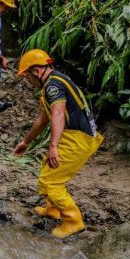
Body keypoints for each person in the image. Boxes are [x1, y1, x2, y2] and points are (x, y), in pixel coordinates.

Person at [13, 49, 104, 238]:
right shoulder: (52, 83)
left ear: (36, 71)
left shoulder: (53, 86)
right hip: (74, 136)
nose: (27, 81)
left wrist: (53, 146)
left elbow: (58, 114)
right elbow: (43, 119)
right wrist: (25, 142)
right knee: (48, 168)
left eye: (27, 76)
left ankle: (73, 221)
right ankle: (52, 208)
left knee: (51, 181)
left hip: (78, 138)